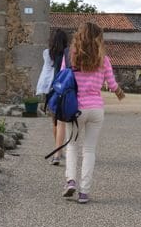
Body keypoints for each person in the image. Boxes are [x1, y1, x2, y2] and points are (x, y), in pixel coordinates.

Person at [61, 22, 125, 204]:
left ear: (79, 36)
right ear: (98, 38)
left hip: (75, 108)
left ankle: (71, 181)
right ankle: (84, 192)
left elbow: (62, 79)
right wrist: (121, 94)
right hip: (96, 109)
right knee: (89, 150)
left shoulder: (70, 56)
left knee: (72, 146)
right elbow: (112, 85)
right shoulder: (103, 59)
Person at [35, 28, 68, 165]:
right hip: (64, 87)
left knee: (55, 120)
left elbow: (46, 71)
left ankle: (57, 150)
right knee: (64, 121)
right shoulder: (68, 53)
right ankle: (60, 150)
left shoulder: (47, 53)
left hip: (51, 88)